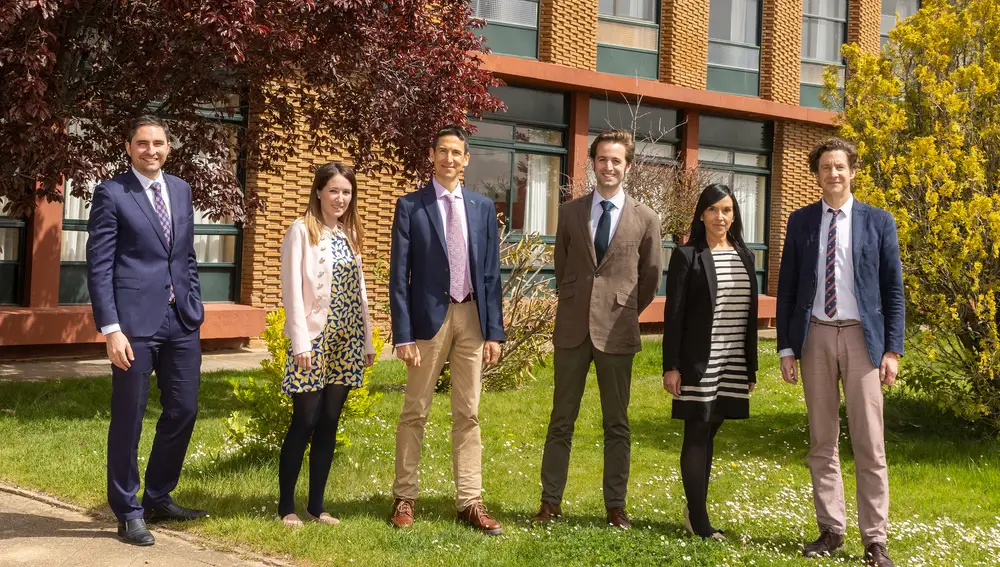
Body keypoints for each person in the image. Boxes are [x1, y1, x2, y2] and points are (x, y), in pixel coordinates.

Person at [776, 137, 904, 567]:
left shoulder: (879, 222)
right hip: (814, 336)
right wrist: (786, 347)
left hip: (861, 340)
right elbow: (788, 286)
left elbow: (893, 291)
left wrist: (892, 350)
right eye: (826, 167)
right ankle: (831, 529)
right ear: (817, 174)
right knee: (822, 439)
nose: (833, 174)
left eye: (840, 167)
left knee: (870, 442)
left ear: (853, 172)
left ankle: (875, 539)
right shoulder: (801, 221)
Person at [531, 129, 662, 529]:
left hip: (618, 330)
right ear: (593, 163)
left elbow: (651, 275)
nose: (609, 167)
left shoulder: (646, 217)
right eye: (602, 159)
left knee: (616, 423)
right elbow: (563, 268)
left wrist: (622, 309)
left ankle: (615, 507)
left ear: (628, 166)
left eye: (616, 160)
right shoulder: (571, 212)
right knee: (561, 420)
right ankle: (550, 502)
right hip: (572, 330)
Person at [87, 115, 207, 546]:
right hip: (133, 325)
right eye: (142, 143)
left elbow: (185, 253)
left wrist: (194, 299)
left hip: (181, 320)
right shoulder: (111, 193)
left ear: (169, 147)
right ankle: (127, 509)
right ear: (128, 147)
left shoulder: (180, 189)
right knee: (129, 418)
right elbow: (99, 265)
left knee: (184, 409)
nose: (150, 150)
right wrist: (111, 328)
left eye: (158, 143)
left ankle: (157, 495)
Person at [387, 126, 505, 535]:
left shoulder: (481, 207)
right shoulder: (411, 206)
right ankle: (404, 497)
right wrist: (402, 335)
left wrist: (494, 332)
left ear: (466, 159)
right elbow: (399, 276)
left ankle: (470, 501)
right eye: (443, 151)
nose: (449, 159)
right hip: (427, 322)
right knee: (415, 410)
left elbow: (491, 273)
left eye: (457, 153)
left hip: (472, 317)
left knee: (468, 412)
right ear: (432, 154)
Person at [277, 162, 376, 528]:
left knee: (330, 422)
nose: (340, 198)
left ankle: (316, 506)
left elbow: (359, 292)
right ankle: (286, 505)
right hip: (313, 340)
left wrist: (366, 340)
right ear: (318, 191)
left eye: (347, 192)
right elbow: (291, 291)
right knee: (304, 420)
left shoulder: (349, 234)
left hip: (347, 339)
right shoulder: (301, 231)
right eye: (333, 190)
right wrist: (300, 342)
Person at [662, 184, 758, 540]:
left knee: (712, 429)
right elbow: (674, 315)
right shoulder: (687, 256)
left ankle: (694, 507)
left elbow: (750, 315)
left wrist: (751, 366)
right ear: (702, 213)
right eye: (714, 209)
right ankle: (698, 519)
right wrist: (671, 366)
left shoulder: (745, 255)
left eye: (728, 210)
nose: (721, 217)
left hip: (733, 358)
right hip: (699, 360)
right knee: (698, 431)